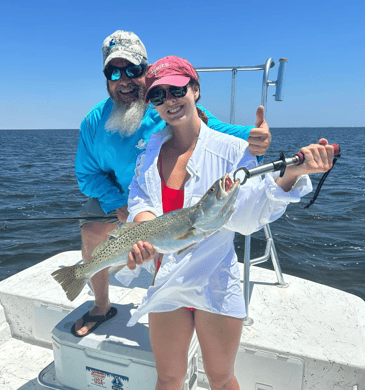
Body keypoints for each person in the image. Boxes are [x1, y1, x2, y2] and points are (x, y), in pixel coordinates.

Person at [123, 55, 335, 390]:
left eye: (177, 90)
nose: (169, 101)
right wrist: (146, 231)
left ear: (195, 90)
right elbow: (140, 199)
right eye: (158, 95)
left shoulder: (233, 150)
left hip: (215, 280)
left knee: (221, 379)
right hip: (166, 279)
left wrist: (291, 174)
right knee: (167, 377)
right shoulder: (147, 154)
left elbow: (249, 215)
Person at [73, 30, 272, 337]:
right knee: (91, 229)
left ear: (146, 73)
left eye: (133, 70)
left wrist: (254, 136)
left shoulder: (166, 105)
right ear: (106, 78)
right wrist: (117, 204)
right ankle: (101, 305)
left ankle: (180, 296)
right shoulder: (92, 122)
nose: (123, 79)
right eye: (114, 72)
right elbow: (87, 175)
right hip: (117, 198)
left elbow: (215, 131)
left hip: (161, 198)